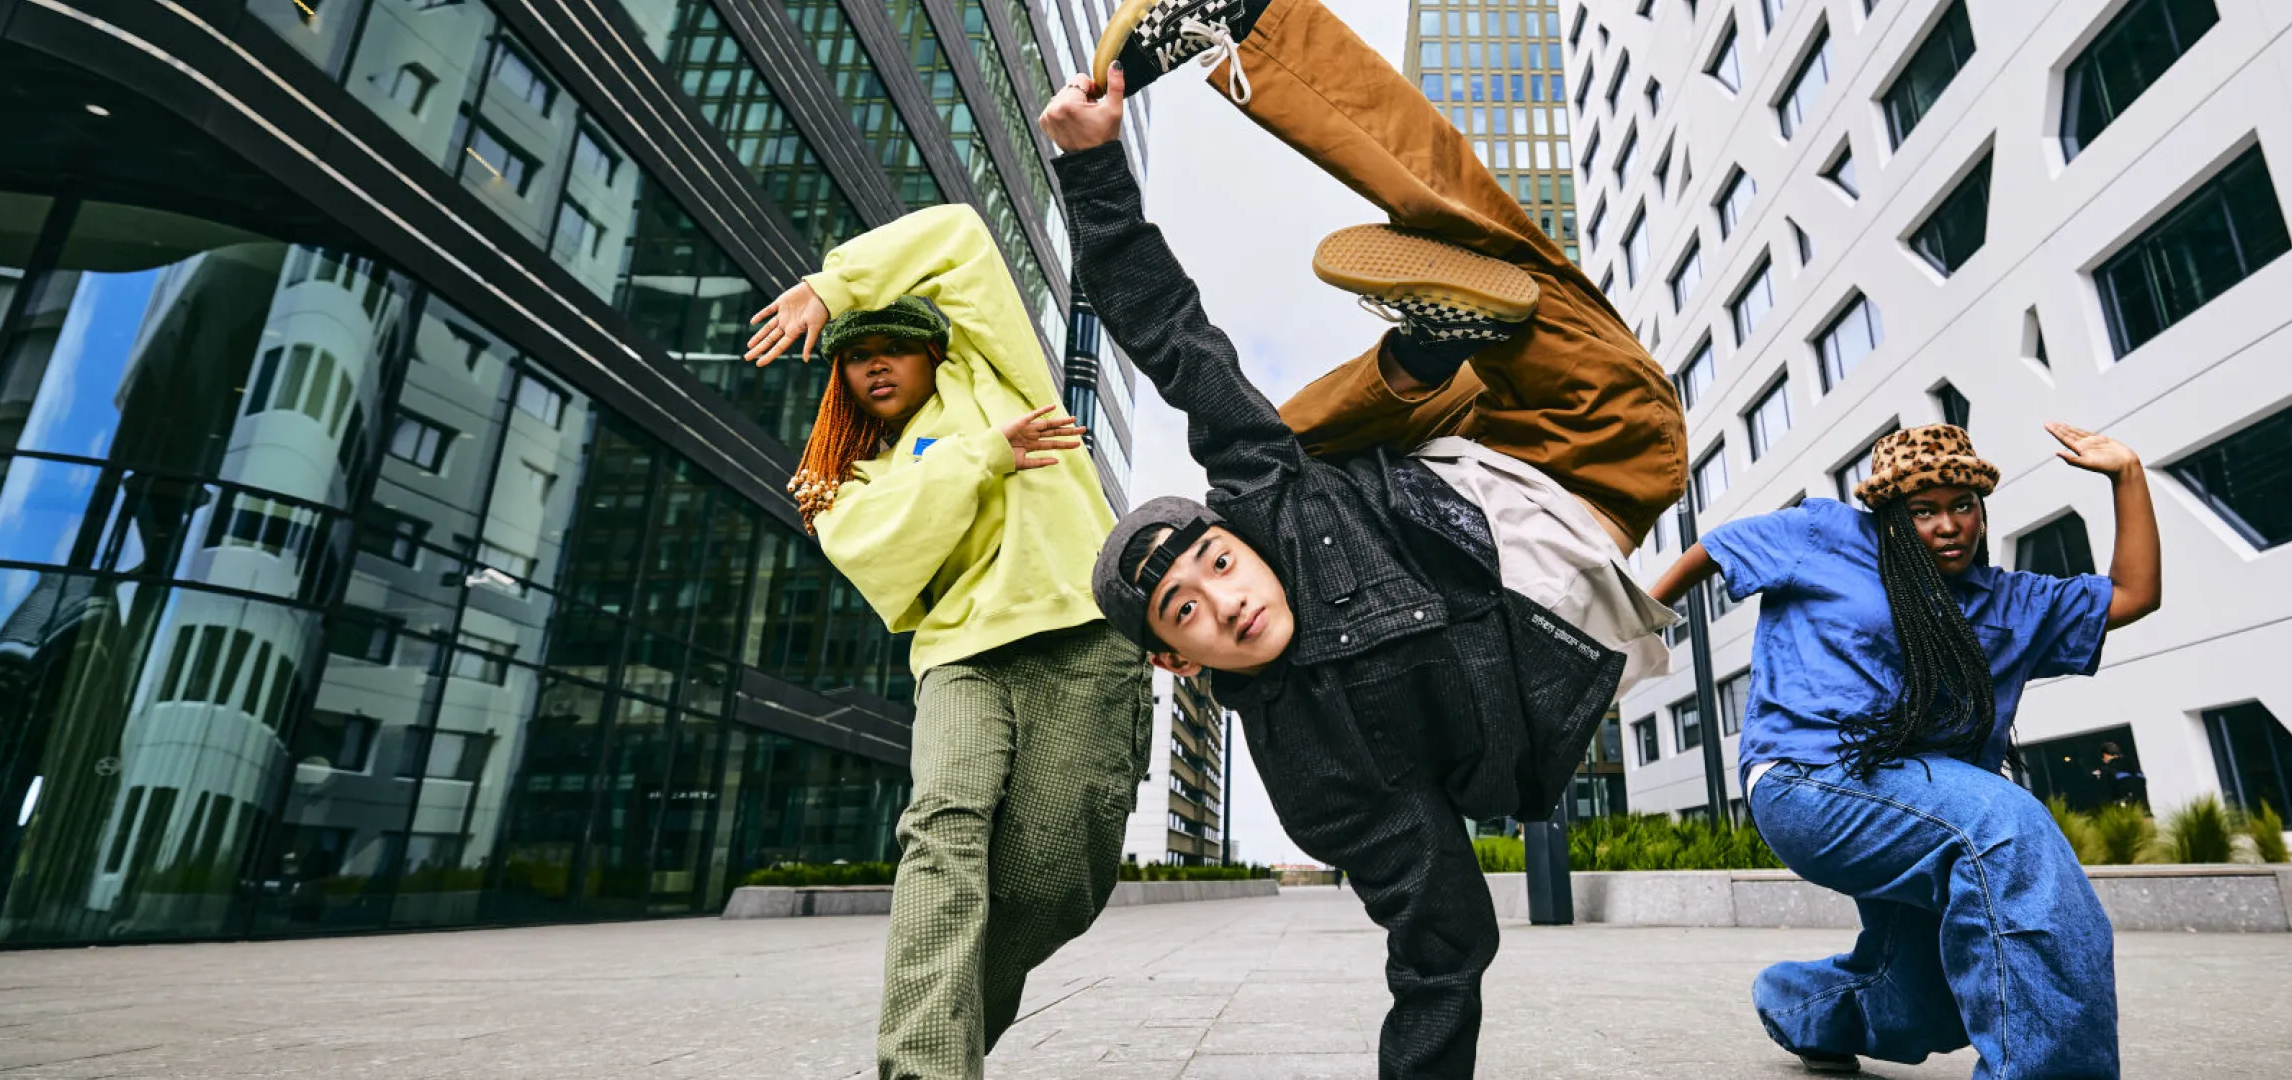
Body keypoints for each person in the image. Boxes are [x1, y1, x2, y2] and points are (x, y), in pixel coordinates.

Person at [1037, 0, 1684, 1073]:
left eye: (1218, 560)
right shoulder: (1315, 776)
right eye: (1187, 612)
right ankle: (1423, 365)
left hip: (1502, 451)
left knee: (1281, 431)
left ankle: (1254, 31)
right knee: (1544, 347)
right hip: (1602, 475)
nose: (1228, 599)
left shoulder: (1264, 510)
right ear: (1171, 657)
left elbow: (1170, 336)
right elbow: (1439, 942)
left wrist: (1094, 169)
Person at [741, 204, 1153, 1080]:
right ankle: (925, 1069)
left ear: (937, 349)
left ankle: (950, 1038)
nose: (872, 364)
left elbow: (962, 233)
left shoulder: (996, 376)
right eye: (854, 356)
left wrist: (832, 285)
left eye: (890, 346)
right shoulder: (849, 483)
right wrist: (982, 460)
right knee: (941, 832)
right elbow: (875, 544)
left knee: (1054, 884)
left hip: (1082, 643)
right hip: (960, 662)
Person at [1650, 423, 2162, 1078]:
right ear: (1892, 515)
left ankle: (1804, 1007)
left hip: (1919, 806)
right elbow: (1715, 547)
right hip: (1806, 777)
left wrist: (2128, 475)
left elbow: (2132, 595)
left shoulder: (2010, 602)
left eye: (1962, 506)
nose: (1948, 526)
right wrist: (1632, 630)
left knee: (1923, 997)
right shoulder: (1828, 536)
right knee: (2007, 828)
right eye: (1924, 511)